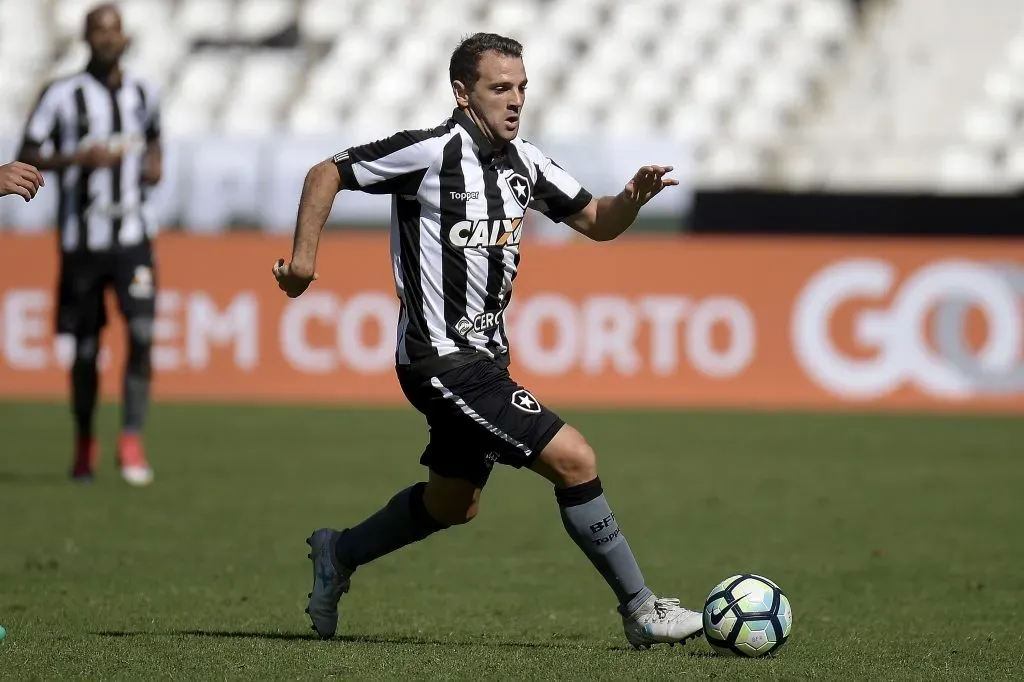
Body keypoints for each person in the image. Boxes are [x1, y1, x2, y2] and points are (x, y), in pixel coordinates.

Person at [273, 32, 701, 649]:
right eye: (501, 88)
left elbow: (598, 222)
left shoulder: (526, 161)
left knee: (453, 504)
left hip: (488, 361)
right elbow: (327, 173)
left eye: (522, 87)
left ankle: (338, 552)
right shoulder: (428, 153)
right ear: (462, 94)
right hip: (440, 359)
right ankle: (641, 611)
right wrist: (304, 263)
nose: (516, 100)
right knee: (574, 458)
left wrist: (632, 198)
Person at [17, 3, 162, 486]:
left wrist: (155, 164)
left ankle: (132, 439)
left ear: (124, 37)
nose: (106, 37)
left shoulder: (145, 91)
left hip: (133, 236)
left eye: (113, 29)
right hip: (82, 242)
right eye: (97, 30)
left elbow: (156, 139)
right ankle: (84, 442)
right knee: (84, 350)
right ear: (86, 38)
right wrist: (77, 158)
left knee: (141, 334)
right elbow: (26, 155)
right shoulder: (61, 95)